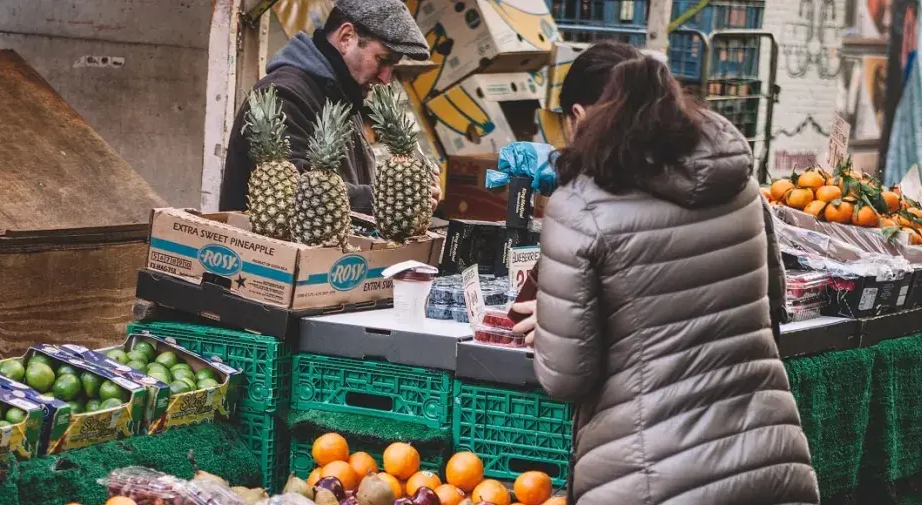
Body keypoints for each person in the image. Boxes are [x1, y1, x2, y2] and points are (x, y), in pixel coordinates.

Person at [511, 42, 819, 505]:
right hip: (767, 459)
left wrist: (558, 327)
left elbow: (566, 377)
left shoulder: (579, 207)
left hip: (649, 473)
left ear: (578, 115)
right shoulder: (740, 185)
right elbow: (773, 308)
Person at [219, 0, 440, 215]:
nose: (386, 78)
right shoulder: (284, 95)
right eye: (382, 60)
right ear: (346, 38)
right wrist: (390, 199)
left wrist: (410, 191)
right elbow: (294, 193)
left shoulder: (343, 94)